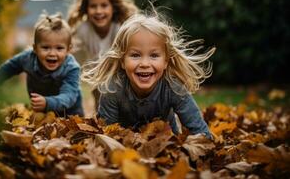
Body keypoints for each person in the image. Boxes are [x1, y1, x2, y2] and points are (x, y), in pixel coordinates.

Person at [81, 11, 216, 138]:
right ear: (122, 61)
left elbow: (199, 131)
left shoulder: (174, 87)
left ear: (165, 61)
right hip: (126, 148)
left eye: (154, 55)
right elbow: (106, 134)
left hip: (167, 145)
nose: (145, 63)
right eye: (135, 55)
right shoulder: (112, 89)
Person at [0, 12, 83, 117]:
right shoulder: (27, 58)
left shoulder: (72, 68)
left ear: (68, 50)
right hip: (42, 112)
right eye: (45, 47)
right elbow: (7, 68)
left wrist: (48, 102)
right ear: (35, 48)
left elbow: (69, 96)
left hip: (70, 114)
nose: (52, 53)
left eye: (59, 48)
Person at [67, 0, 138, 112]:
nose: (99, 11)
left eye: (104, 5)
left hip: (123, 77)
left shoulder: (121, 27)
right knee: (101, 110)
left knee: (125, 109)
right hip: (97, 78)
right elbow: (67, 46)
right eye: (93, 6)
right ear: (86, 9)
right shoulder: (83, 29)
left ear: (113, 6)